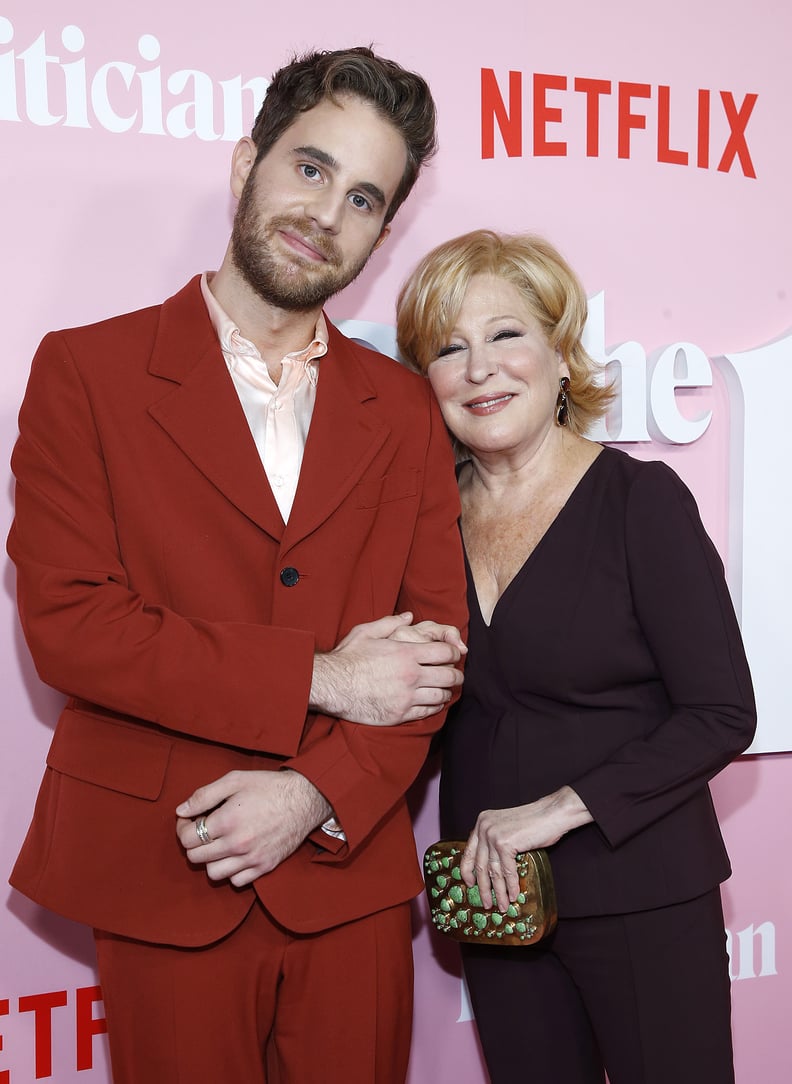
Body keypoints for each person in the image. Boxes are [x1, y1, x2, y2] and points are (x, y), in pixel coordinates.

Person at [7, 47, 468, 1084]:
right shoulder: (86, 371)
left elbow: (433, 654)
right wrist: (325, 675)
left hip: (347, 872)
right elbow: (72, 625)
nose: (326, 213)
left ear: (381, 235)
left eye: (362, 197)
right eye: (309, 168)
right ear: (244, 162)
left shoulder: (400, 407)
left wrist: (315, 792)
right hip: (165, 861)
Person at [396, 229, 756, 1084]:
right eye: (449, 348)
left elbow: (722, 712)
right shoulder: (421, 526)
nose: (480, 368)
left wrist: (559, 809)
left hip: (643, 893)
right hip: (496, 906)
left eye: (506, 334)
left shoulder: (640, 502)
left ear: (561, 356)